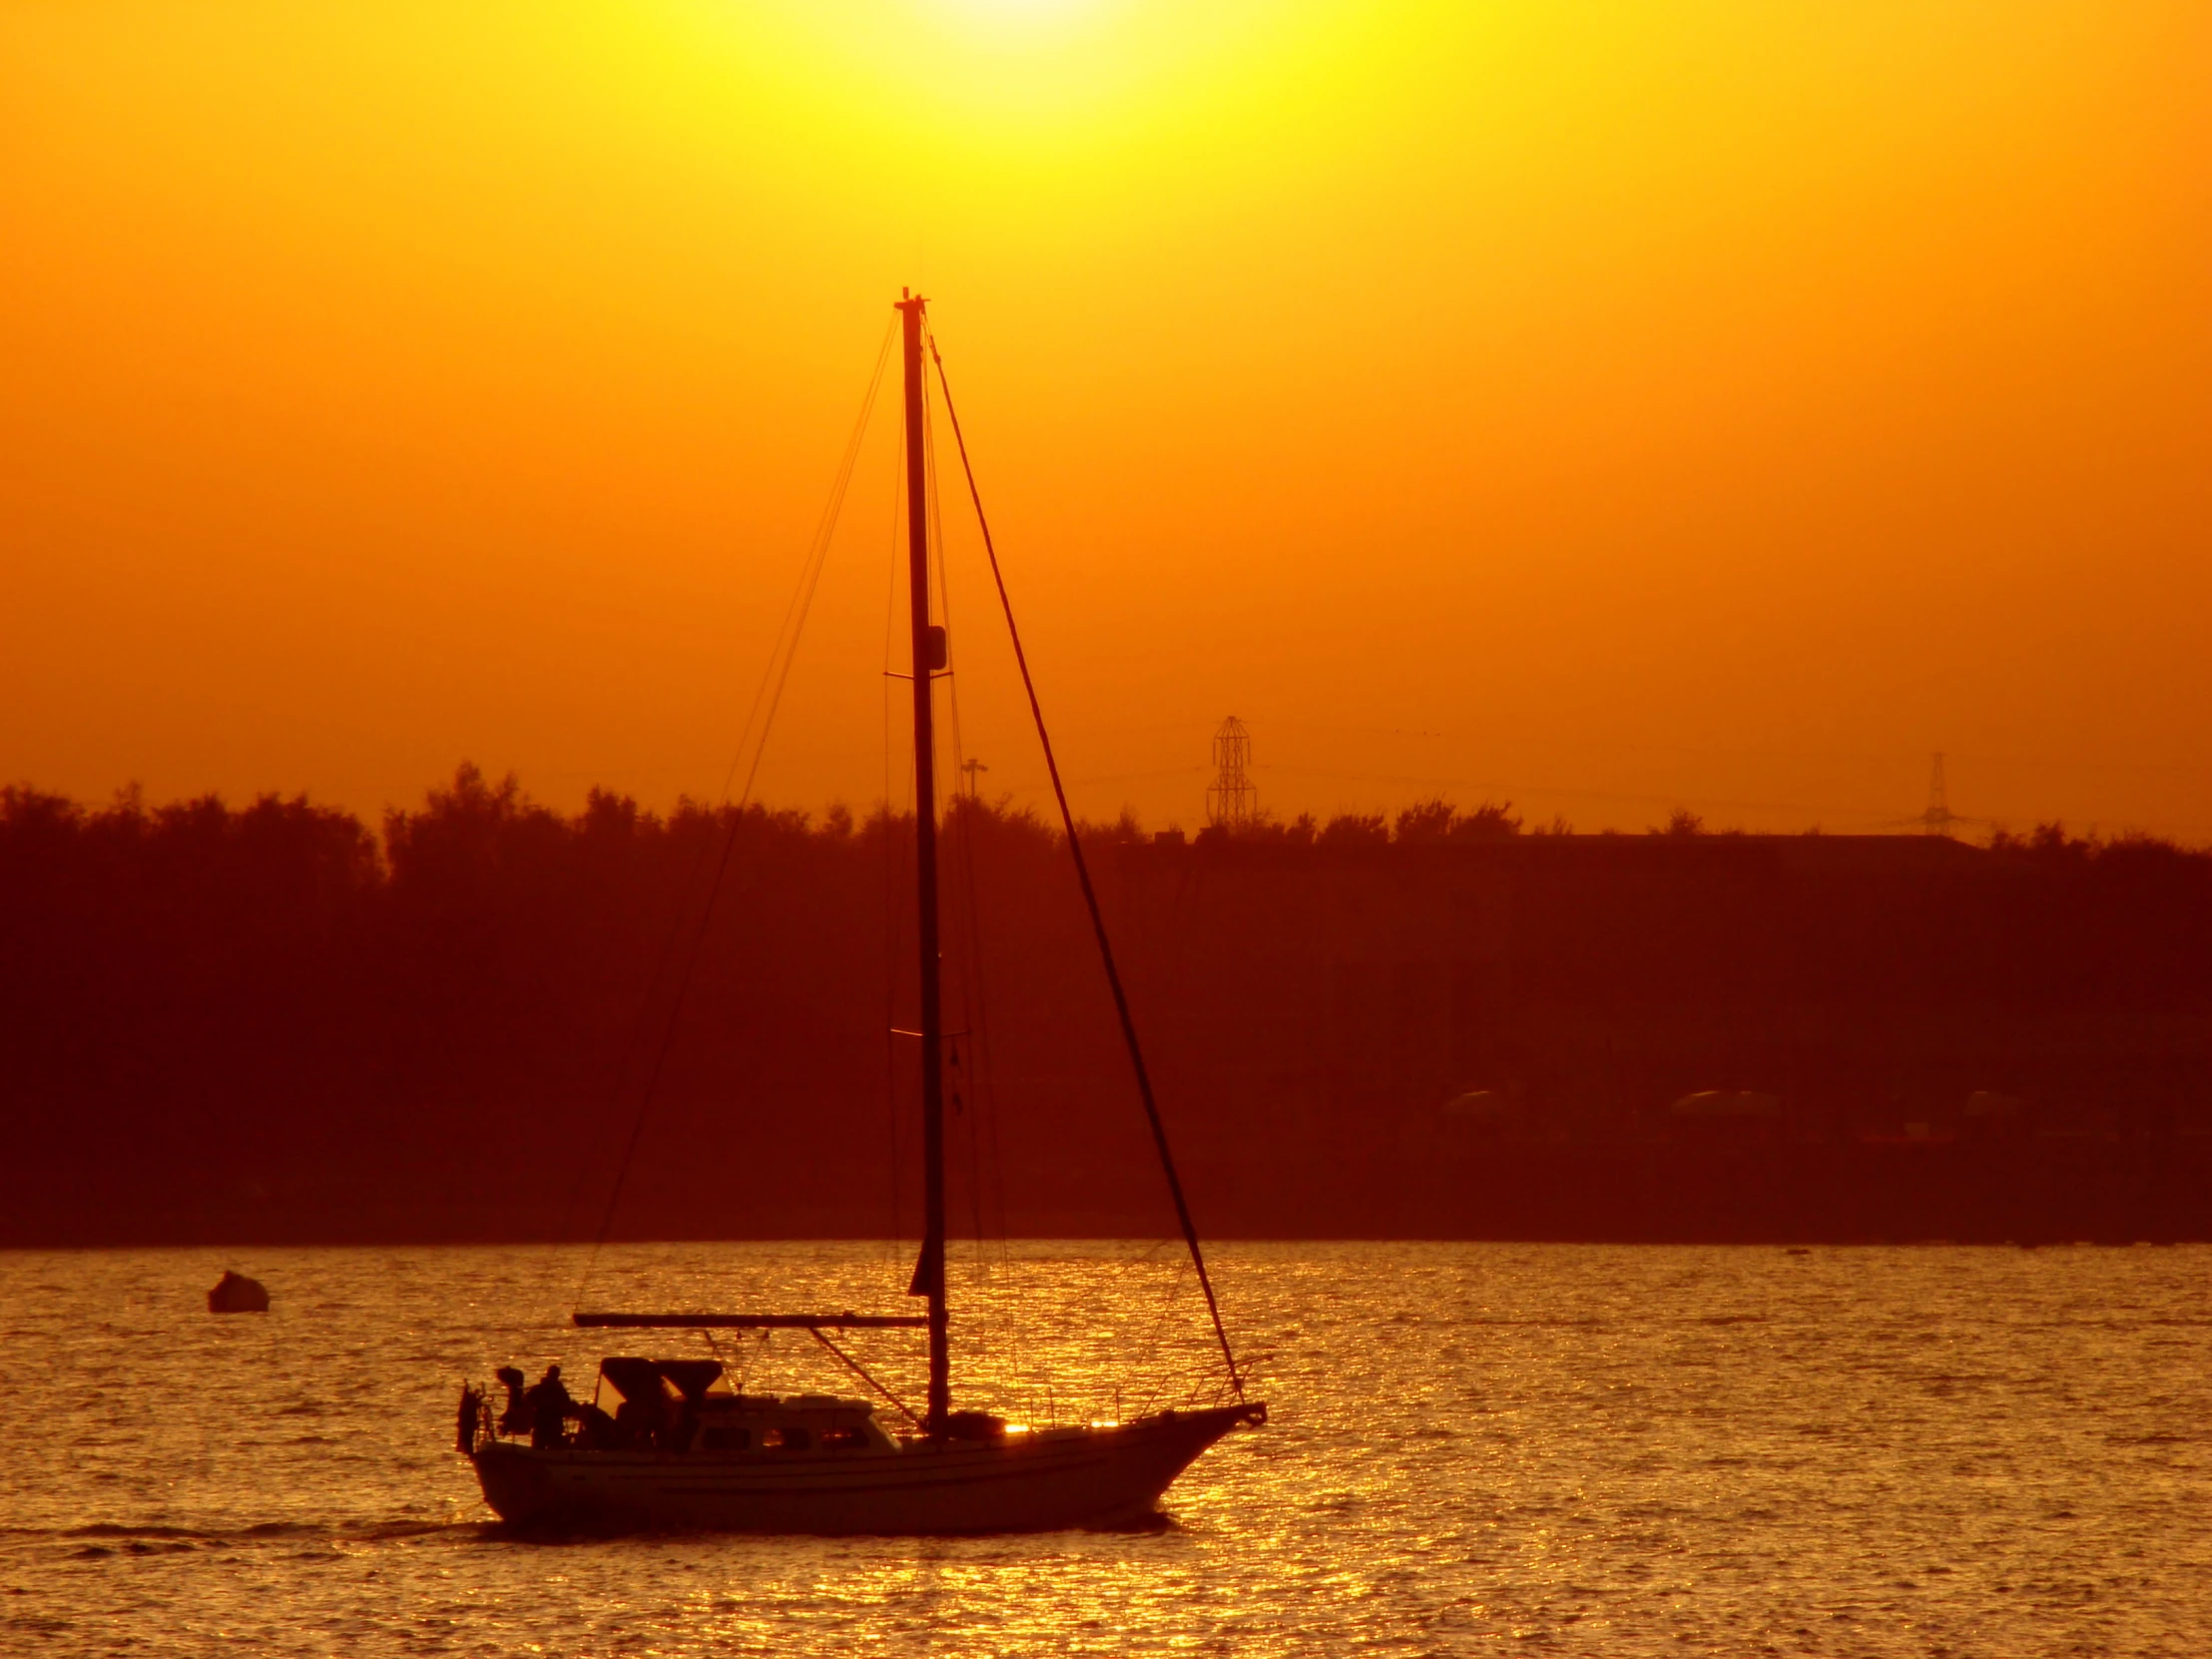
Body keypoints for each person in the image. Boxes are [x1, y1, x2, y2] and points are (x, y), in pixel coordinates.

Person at [524, 1364, 573, 1449]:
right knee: (550, 1450)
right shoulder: (560, 1391)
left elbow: (526, 1402)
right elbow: (567, 1408)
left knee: (539, 1449)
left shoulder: (539, 1389)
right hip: (551, 1426)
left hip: (544, 1425)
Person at [494, 1367, 528, 1436]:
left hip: (516, 1404)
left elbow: (514, 1403)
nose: (502, 1382)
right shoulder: (514, 1388)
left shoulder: (515, 1388)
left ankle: (506, 1428)